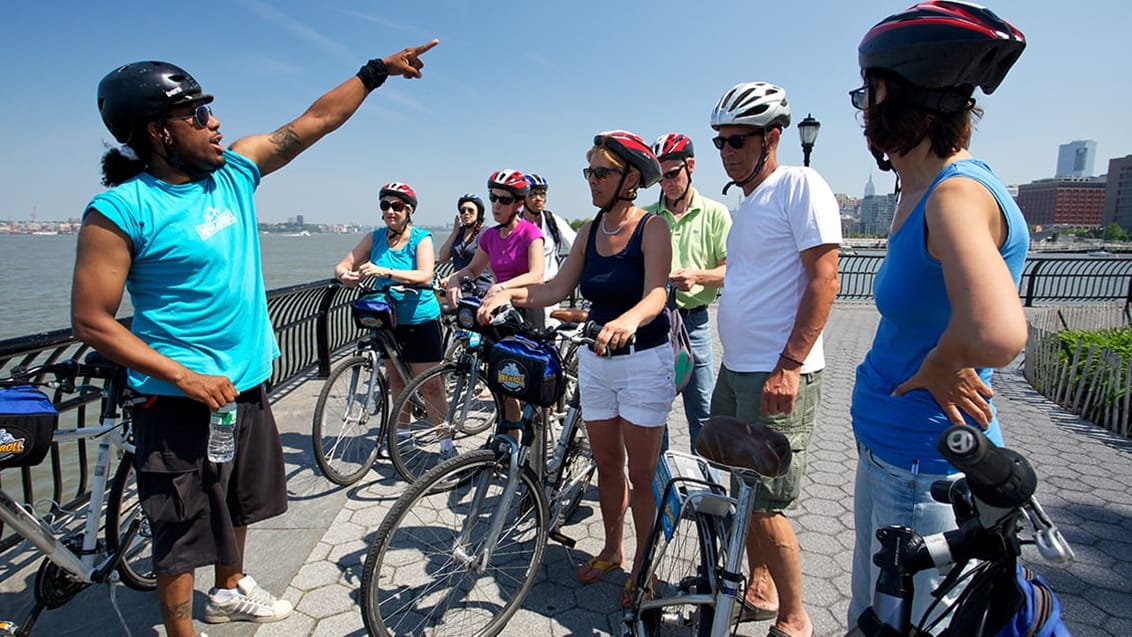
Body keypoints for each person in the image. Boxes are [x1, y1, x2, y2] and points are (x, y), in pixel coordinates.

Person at [70, 41, 438, 637]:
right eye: (195, 115)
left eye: (209, 110)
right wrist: (184, 376)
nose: (214, 123)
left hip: (244, 383)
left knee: (238, 499)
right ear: (158, 133)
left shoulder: (235, 173)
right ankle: (181, 629)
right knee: (181, 526)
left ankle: (231, 586)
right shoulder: (121, 209)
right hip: (179, 399)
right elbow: (92, 320)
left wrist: (376, 73)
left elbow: (312, 123)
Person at [847, 3, 1028, 632]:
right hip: (897, 452)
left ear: (888, 93)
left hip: (923, 466)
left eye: (865, 95)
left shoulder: (954, 193)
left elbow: (999, 331)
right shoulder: (924, 191)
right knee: (872, 618)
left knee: (901, 625)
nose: (863, 113)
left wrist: (944, 362)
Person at [476, 131, 674, 609]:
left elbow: (657, 294)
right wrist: (508, 294)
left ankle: (645, 566)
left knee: (642, 474)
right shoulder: (589, 231)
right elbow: (555, 287)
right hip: (597, 362)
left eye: (602, 172)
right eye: (589, 171)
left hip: (644, 361)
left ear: (631, 178)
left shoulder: (653, 228)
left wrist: (627, 320)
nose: (593, 180)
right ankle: (612, 548)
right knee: (608, 463)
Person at [709, 82, 841, 637]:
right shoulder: (749, 202)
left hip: (777, 372)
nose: (727, 150)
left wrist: (789, 364)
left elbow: (824, 278)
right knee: (741, 486)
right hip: (738, 367)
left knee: (768, 502)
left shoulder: (800, 185)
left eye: (739, 139)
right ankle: (759, 589)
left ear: (773, 138)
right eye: (720, 142)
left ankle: (795, 618)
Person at [334, 182, 454, 459]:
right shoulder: (374, 238)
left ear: (409, 210)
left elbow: (424, 275)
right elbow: (344, 263)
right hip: (388, 320)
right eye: (385, 206)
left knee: (429, 384)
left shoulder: (420, 238)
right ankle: (401, 439)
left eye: (397, 206)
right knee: (397, 383)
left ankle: (446, 443)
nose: (390, 211)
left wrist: (382, 271)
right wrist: (345, 275)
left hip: (420, 319)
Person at [644, 133, 731, 453]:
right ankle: (658, 485)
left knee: (703, 413)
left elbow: (731, 271)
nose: (666, 183)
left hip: (693, 324)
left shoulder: (715, 213)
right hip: (653, 324)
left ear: (690, 167)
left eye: (673, 174)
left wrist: (698, 276)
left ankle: (706, 488)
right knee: (652, 413)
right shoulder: (647, 217)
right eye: (660, 177)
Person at [445, 169, 545, 425]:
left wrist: (503, 288)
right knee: (502, 381)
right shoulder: (490, 236)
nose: (496, 205)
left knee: (528, 383)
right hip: (499, 312)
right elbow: (473, 269)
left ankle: (533, 445)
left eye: (504, 200)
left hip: (525, 309)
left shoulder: (530, 233)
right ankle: (508, 436)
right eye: (493, 198)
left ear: (519, 204)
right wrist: (455, 277)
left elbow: (536, 275)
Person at [523, 174, 578, 316]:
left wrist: (563, 275)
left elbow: (578, 248)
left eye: (542, 194)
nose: (539, 198)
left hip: (549, 290)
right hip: (524, 291)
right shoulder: (517, 225)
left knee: (551, 328)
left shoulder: (552, 220)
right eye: (533, 194)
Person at [438, 193, 493, 295]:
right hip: (458, 288)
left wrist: (451, 277)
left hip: (480, 290)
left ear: (479, 213)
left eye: (470, 210)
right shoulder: (459, 233)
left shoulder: (486, 233)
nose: (466, 213)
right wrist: (454, 232)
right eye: (463, 211)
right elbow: (443, 258)